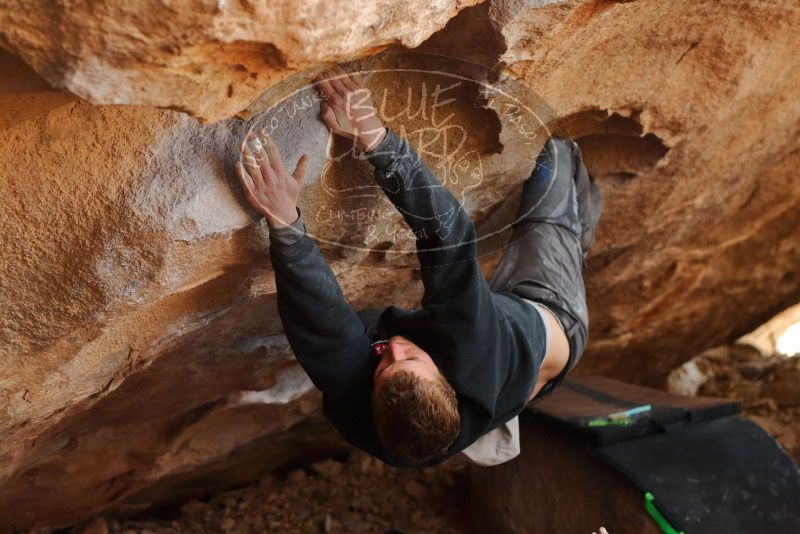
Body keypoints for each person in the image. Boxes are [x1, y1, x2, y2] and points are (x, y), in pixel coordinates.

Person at [234, 63, 602, 467]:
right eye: (409, 359)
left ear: (373, 405)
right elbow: (448, 239)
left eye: (383, 369)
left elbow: (323, 325)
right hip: (550, 318)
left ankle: (507, 402)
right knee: (551, 165)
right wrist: (377, 139)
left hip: (505, 376)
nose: (392, 349)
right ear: (449, 381)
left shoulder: (374, 425)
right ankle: (575, 237)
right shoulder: (472, 344)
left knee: (382, 329)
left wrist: (285, 224)